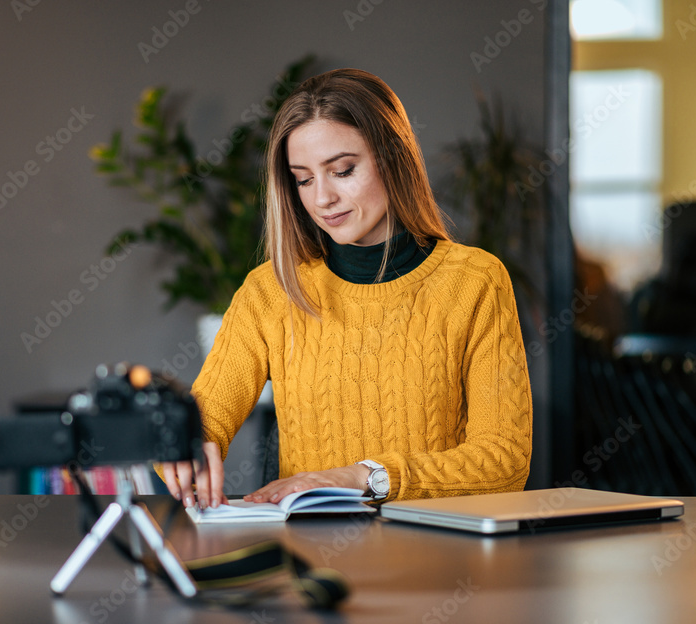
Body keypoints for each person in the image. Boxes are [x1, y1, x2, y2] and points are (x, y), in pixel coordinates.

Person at [162, 68, 532, 509]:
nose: (322, 198)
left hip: (438, 562)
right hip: (310, 564)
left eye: (342, 170)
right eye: (303, 178)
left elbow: (503, 460)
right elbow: (205, 417)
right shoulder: (271, 292)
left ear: (393, 157)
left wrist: (363, 477)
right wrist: (185, 444)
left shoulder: (475, 282)